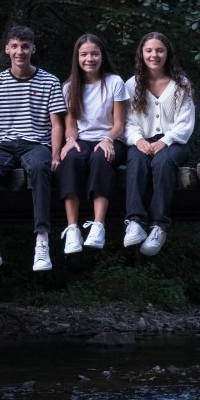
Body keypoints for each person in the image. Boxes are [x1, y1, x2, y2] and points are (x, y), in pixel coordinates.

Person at [0, 25, 65, 274]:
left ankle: (42, 240)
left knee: (40, 168)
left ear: (33, 49)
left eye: (25, 46)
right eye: (14, 46)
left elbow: (57, 124)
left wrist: (55, 154)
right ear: (7, 49)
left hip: (37, 143)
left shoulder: (49, 81)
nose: (20, 51)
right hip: (3, 144)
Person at [123, 32, 196, 256]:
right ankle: (135, 222)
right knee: (135, 162)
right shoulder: (131, 84)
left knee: (162, 163)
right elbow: (127, 121)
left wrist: (165, 140)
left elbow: (186, 123)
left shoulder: (181, 84)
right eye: (149, 50)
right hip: (141, 141)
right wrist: (138, 140)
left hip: (174, 142)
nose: (154, 55)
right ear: (141, 54)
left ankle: (159, 226)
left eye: (159, 50)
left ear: (167, 54)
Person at [56, 34, 129, 254]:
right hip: (82, 139)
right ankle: (72, 229)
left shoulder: (114, 82)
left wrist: (108, 139)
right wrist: (69, 141)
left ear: (102, 56)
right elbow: (70, 124)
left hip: (112, 139)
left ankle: (98, 225)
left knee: (101, 157)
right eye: (84, 54)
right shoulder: (70, 87)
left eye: (94, 54)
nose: (90, 59)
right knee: (71, 159)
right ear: (77, 58)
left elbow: (119, 123)